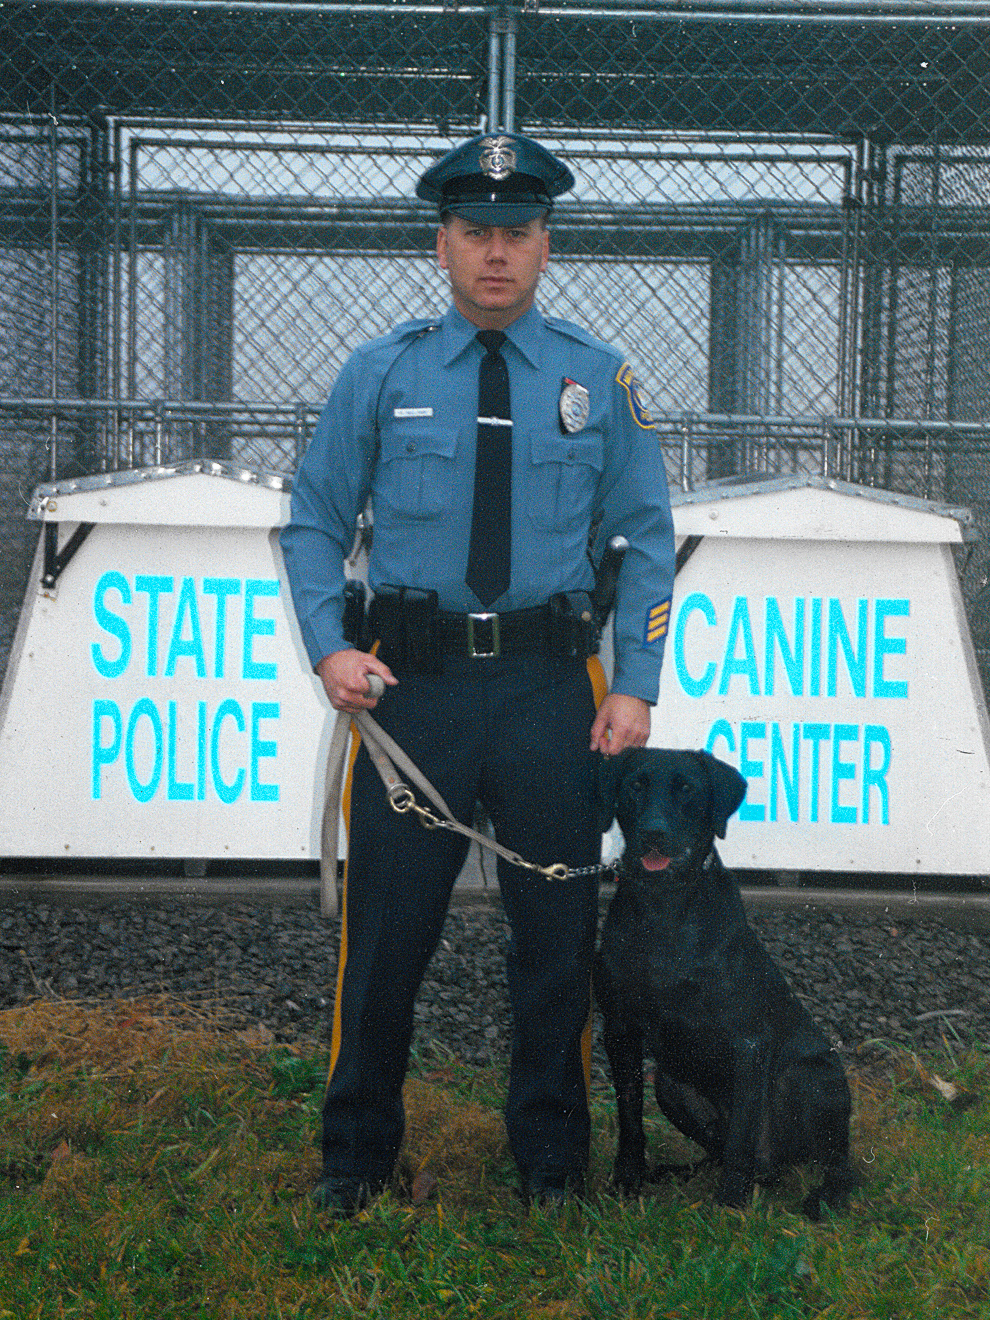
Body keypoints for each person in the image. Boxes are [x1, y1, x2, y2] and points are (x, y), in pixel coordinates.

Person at [280, 132, 675, 1216]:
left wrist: (634, 683)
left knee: (554, 942)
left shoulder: (599, 381)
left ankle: (551, 1164)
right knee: (386, 945)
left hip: (554, 696)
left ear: (546, 244)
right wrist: (329, 647)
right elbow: (312, 523)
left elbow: (644, 538)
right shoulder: (383, 373)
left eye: (517, 233)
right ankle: (356, 1159)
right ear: (442, 242)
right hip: (416, 692)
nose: (495, 254)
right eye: (475, 233)